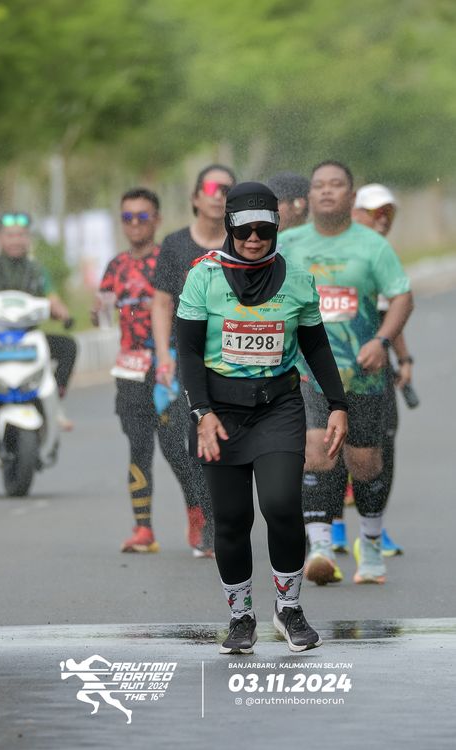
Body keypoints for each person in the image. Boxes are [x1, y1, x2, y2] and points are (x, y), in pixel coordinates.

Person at [177, 182, 348, 654]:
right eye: (243, 229)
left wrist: (338, 404)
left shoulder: (297, 280)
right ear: (228, 226)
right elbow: (188, 353)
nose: (253, 238)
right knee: (232, 519)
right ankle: (240, 617)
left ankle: (288, 609)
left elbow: (316, 346)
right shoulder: (204, 277)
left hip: (278, 407)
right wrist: (201, 412)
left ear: (276, 228)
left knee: (281, 505)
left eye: (264, 229)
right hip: (219, 414)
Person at [278, 161, 413, 586]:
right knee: (316, 449)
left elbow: (402, 296)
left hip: (363, 373)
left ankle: (369, 544)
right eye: (319, 185)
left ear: (351, 197)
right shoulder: (289, 243)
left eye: (336, 185)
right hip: (307, 371)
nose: (326, 191)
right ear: (309, 197)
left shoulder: (372, 245)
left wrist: (383, 342)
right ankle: (320, 548)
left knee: (365, 461)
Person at [93, 188, 215, 557]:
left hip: (168, 364)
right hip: (130, 368)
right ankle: (143, 528)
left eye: (142, 216)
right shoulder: (115, 266)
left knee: (175, 446)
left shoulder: (169, 257)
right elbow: (103, 313)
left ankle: (198, 513)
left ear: (157, 219)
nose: (135, 224)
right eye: (127, 217)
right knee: (139, 445)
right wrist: (97, 312)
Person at [0, 212, 76, 494]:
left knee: (68, 346)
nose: (16, 240)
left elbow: (54, 299)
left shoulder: (36, 271)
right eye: (10, 235)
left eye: (21, 235)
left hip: (25, 342)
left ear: (27, 239)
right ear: (0, 238)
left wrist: (61, 311)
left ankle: (54, 400)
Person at [151, 164, 237, 555]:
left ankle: (230, 515)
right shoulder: (175, 245)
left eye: (227, 189)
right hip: (186, 356)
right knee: (187, 439)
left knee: (233, 436)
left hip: (236, 355)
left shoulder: (245, 241)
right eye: (213, 188)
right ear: (196, 197)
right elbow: (162, 302)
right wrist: (162, 357)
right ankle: (205, 513)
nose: (219, 196)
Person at [330, 184, 414, 557]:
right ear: (355, 212)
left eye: (389, 212)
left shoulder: (382, 253)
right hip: (333, 365)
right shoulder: (336, 250)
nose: (383, 219)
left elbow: (392, 313)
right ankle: (333, 525)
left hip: (376, 366)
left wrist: (404, 359)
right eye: (375, 211)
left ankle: (374, 529)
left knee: (381, 442)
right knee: (332, 443)